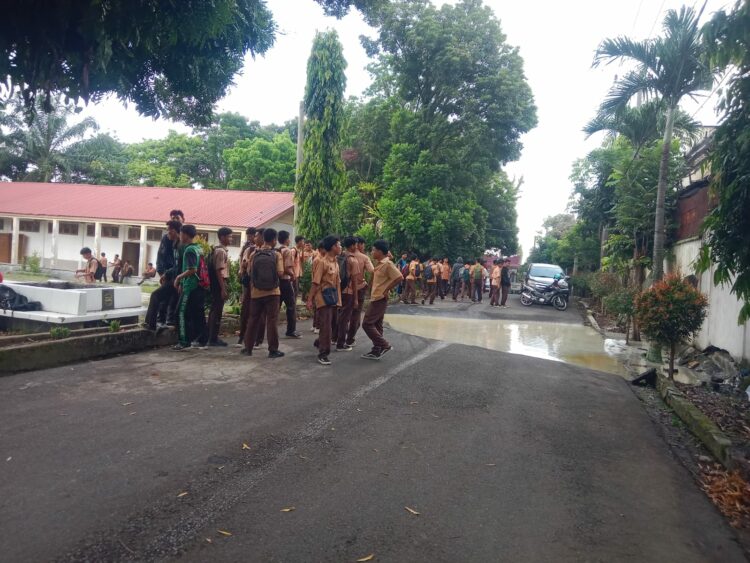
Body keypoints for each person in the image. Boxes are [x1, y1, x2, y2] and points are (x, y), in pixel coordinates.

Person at [243, 228, 285, 358]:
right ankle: (273, 350)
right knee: (272, 320)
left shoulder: (253, 254)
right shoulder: (277, 255)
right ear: (274, 240)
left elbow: (249, 273)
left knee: (253, 319)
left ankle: (248, 348)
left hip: (256, 292)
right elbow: (280, 273)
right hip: (273, 292)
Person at [361, 240, 403, 360]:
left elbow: (399, 277)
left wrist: (386, 290)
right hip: (377, 297)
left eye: (373, 250)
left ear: (380, 251)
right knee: (377, 324)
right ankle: (377, 350)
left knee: (367, 324)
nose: (372, 252)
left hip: (380, 298)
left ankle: (385, 345)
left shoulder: (387, 264)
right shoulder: (380, 264)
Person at [307, 235, 341, 366]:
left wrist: (339, 301)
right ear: (333, 247)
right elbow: (315, 282)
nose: (340, 247)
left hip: (332, 298)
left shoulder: (335, 262)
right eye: (338, 245)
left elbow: (337, 283)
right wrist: (310, 299)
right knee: (326, 326)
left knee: (332, 324)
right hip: (322, 298)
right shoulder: (322, 262)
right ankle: (323, 353)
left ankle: (319, 342)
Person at [173, 224, 207, 350]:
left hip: (191, 286)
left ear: (186, 235)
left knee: (180, 313)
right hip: (198, 286)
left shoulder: (189, 250)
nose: (180, 236)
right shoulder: (199, 248)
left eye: (181, 234)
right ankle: (200, 339)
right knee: (197, 314)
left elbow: (192, 269)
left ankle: (183, 341)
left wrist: (178, 278)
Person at [145, 220, 181, 330]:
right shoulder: (169, 241)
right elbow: (161, 257)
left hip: (177, 278)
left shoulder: (181, 245)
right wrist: (163, 273)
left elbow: (180, 265)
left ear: (175, 231)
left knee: (157, 296)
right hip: (171, 276)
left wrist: (173, 276)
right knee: (164, 299)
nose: (167, 233)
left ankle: (152, 325)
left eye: (169, 231)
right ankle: (158, 323)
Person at [345, 236, 373, 347]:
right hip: (360, 288)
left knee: (343, 313)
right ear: (359, 244)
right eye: (363, 244)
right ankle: (350, 339)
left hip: (345, 289)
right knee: (355, 315)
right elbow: (373, 271)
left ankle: (336, 336)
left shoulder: (343, 255)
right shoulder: (364, 258)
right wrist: (369, 285)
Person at [207, 227, 232, 347]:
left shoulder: (218, 250)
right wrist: (223, 288)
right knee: (217, 310)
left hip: (216, 283)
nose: (231, 239)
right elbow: (219, 271)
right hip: (218, 283)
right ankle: (213, 338)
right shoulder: (221, 252)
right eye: (229, 236)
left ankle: (212, 336)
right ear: (222, 237)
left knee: (215, 310)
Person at [335, 237, 360, 352]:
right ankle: (340, 343)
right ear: (351, 246)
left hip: (338, 290)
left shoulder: (338, 257)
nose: (357, 247)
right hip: (348, 292)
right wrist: (355, 298)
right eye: (355, 245)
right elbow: (354, 281)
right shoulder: (353, 260)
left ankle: (333, 338)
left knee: (338, 316)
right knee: (345, 318)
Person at [236, 227, 257, 347]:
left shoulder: (252, 249)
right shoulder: (247, 248)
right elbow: (242, 261)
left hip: (253, 282)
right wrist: (241, 269)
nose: (250, 238)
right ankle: (243, 336)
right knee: (246, 308)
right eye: (248, 236)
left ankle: (250, 337)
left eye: (252, 236)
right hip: (248, 281)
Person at [278, 230, 301, 339]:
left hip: (276, 282)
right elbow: (287, 267)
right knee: (291, 306)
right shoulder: (287, 251)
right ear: (287, 239)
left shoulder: (277, 250)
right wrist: (293, 275)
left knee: (275, 307)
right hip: (286, 281)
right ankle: (291, 330)